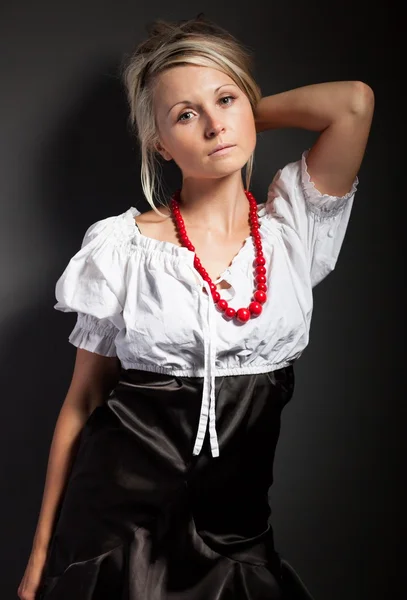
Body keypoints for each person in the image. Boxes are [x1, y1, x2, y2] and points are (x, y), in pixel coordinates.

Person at [18, 14, 374, 600]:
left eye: (226, 99)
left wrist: (238, 117)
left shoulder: (292, 229)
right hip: (117, 533)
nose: (213, 125)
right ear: (158, 142)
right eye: (186, 115)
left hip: (236, 538)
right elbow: (81, 404)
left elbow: (354, 104)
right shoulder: (122, 247)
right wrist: (38, 559)